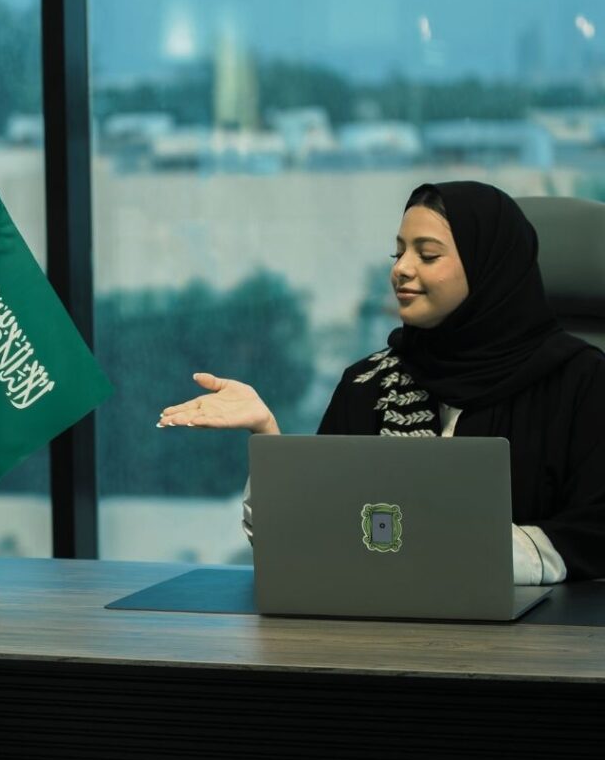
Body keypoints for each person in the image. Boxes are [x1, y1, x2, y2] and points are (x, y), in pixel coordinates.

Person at [158, 181, 605, 584]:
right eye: (398, 253)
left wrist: (470, 553)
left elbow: (595, 532)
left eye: (427, 255)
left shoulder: (582, 382)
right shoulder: (367, 383)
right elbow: (307, 547)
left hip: (543, 644)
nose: (401, 270)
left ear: (490, 270)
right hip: (377, 640)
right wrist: (267, 434)